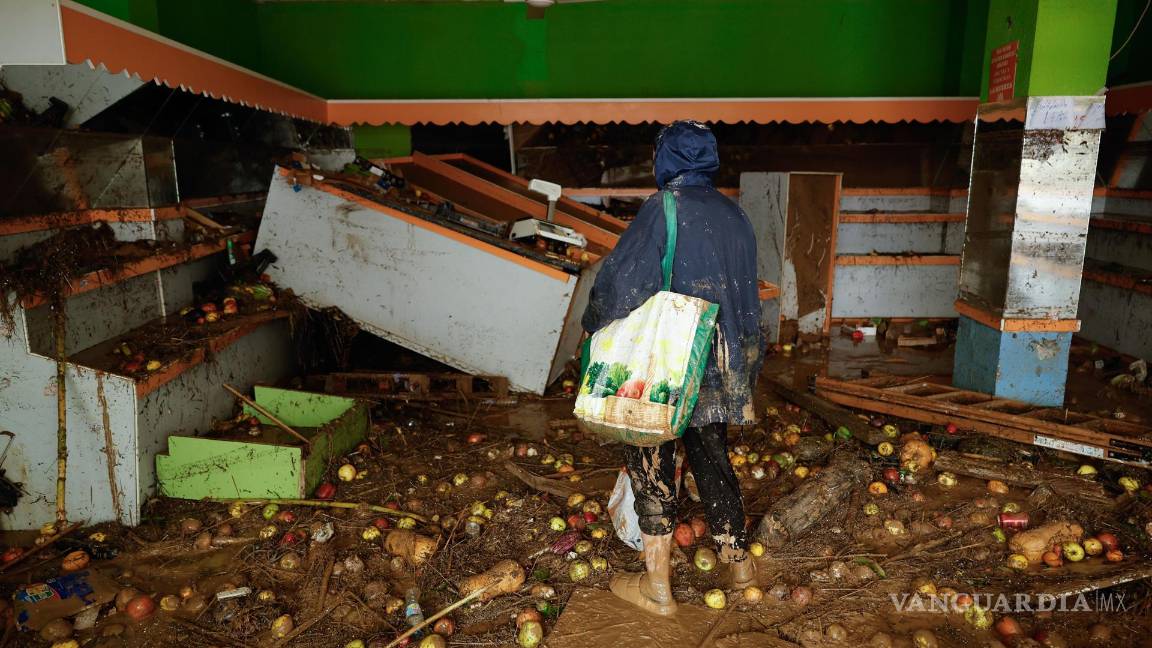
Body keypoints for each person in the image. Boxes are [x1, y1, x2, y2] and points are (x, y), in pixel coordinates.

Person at [581, 120, 763, 616]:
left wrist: (592, 324)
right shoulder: (735, 214)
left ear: (664, 159)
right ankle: (738, 561)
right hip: (722, 360)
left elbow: (621, 286)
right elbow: (747, 295)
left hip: (669, 364)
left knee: (651, 460)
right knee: (711, 454)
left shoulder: (661, 210)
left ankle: (657, 587)